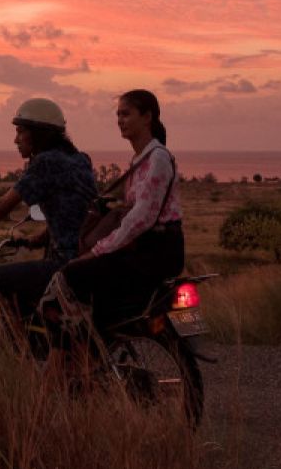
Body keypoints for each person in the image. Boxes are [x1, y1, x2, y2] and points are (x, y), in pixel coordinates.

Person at [0, 98, 96, 319]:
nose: (16, 139)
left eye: (20, 132)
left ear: (38, 133)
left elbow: (4, 205)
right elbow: (76, 209)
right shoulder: (80, 159)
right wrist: (41, 237)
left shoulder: (46, 162)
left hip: (65, 263)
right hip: (85, 258)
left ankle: (17, 348)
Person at [47, 89, 184, 327]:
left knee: (72, 275)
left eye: (126, 114)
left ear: (147, 117)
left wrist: (99, 249)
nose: (120, 120)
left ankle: (77, 353)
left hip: (157, 251)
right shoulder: (140, 159)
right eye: (118, 115)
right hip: (145, 247)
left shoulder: (158, 158)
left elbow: (141, 217)